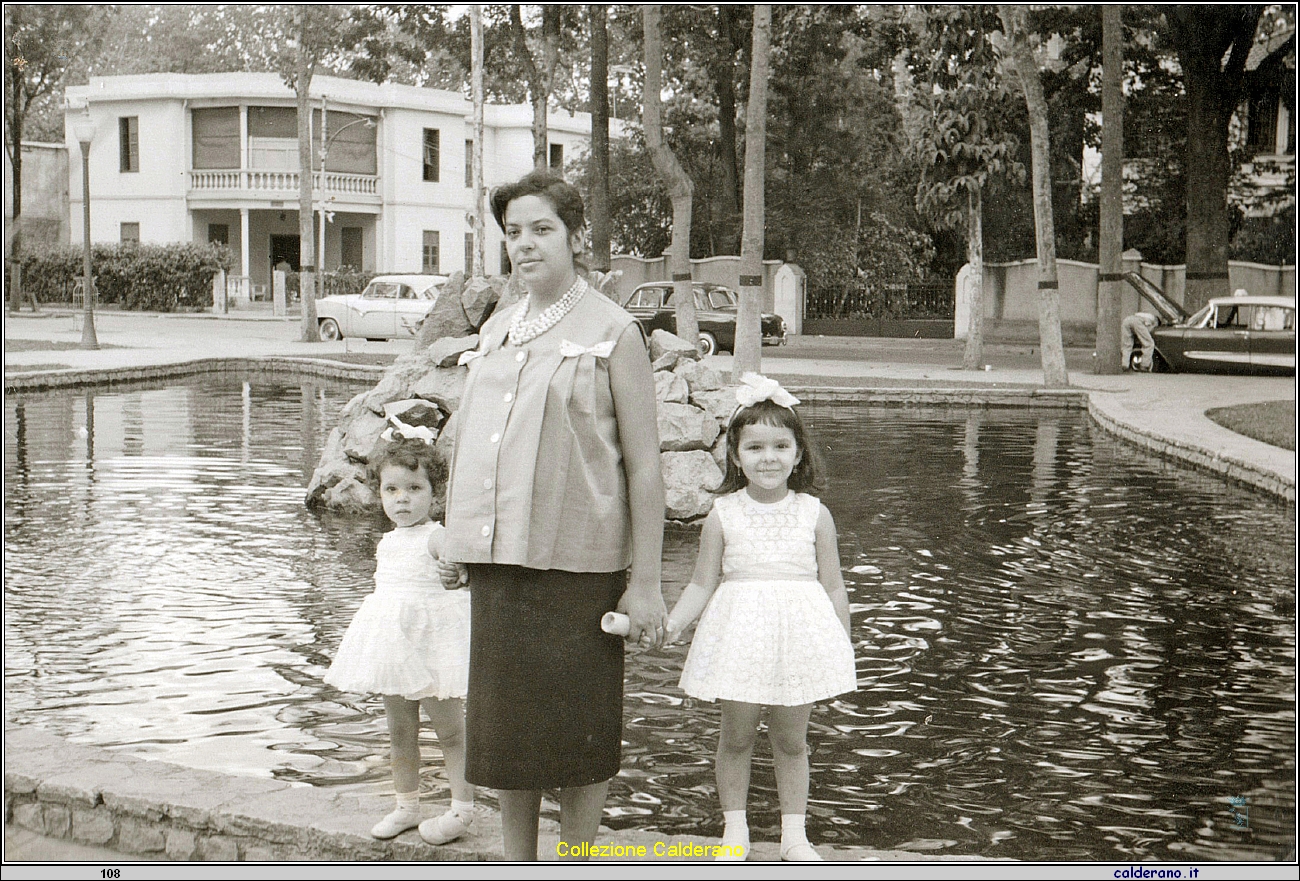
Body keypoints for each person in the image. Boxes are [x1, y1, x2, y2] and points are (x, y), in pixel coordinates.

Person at [440, 170, 667, 860]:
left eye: (541, 229)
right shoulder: (501, 327)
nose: (525, 244)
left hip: (580, 567)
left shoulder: (613, 329)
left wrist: (648, 581)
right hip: (500, 563)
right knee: (508, 738)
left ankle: (576, 863)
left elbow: (647, 464)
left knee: (575, 740)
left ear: (575, 237)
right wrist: (454, 537)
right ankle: (518, 865)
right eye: (513, 232)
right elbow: (471, 438)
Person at [666, 374, 856, 862]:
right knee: (737, 735)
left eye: (779, 446)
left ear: (797, 454)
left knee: (792, 740)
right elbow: (702, 584)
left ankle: (795, 836)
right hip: (740, 636)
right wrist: (673, 625)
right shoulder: (723, 514)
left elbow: (834, 586)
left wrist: (840, 647)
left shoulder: (815, 513)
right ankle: (736, 830)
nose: (767, 457)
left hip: (800, 635)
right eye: (754, 447)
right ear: (735, 456)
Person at [323, 426, 476, 845]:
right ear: (380, 494)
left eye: (414, 488)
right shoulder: (388, 541)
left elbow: (457, 566)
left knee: (450, 730)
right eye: (391, 489)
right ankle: (407, 805)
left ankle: (462, 809)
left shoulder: (436, 536)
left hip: (433, 644)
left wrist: (456, 571)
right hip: (393, 645)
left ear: (435, 494)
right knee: (399, 730)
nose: (402, 498)